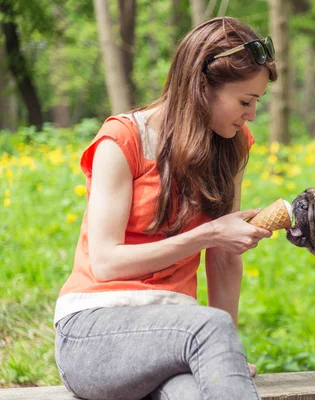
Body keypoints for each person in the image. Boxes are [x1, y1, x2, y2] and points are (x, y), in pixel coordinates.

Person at [54, 17, 277, 400]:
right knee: (210, 325)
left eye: (256, 102)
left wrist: (223, 349)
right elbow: (106, 262)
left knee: (194, 392)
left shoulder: (234, 144)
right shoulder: (122, 140)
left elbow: (223, 257)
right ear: (202, 87)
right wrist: (207, 234)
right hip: (94, 332)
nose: (251, 114)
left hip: (178, 335)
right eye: (245, 101)